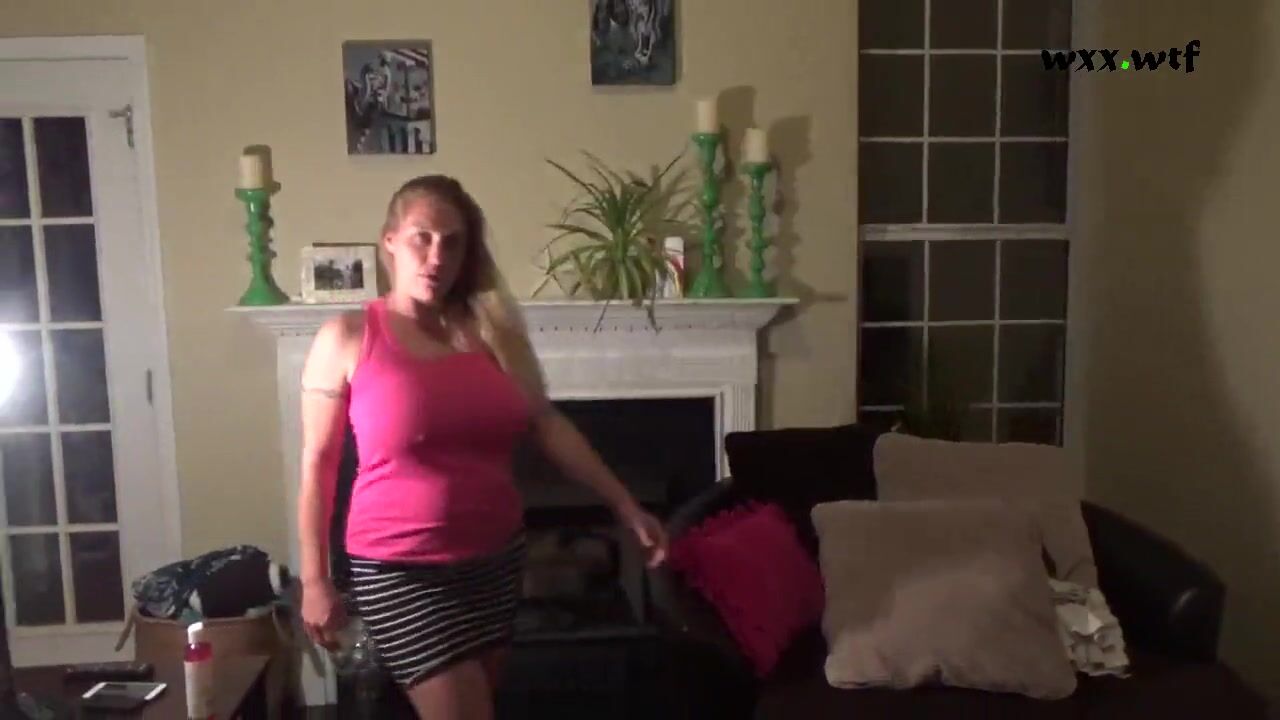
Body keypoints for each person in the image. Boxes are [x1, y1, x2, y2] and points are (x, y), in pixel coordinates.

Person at [297, 175, 668, 719]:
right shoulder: (348, 336)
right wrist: (314, 580)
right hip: (400, 569)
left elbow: (546, 423)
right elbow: (318, 463)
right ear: (390, 241)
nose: (437, 256)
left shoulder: (490, 335)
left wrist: (625, 504)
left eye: (453, 242)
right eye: (422, 237)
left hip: (494, 563)